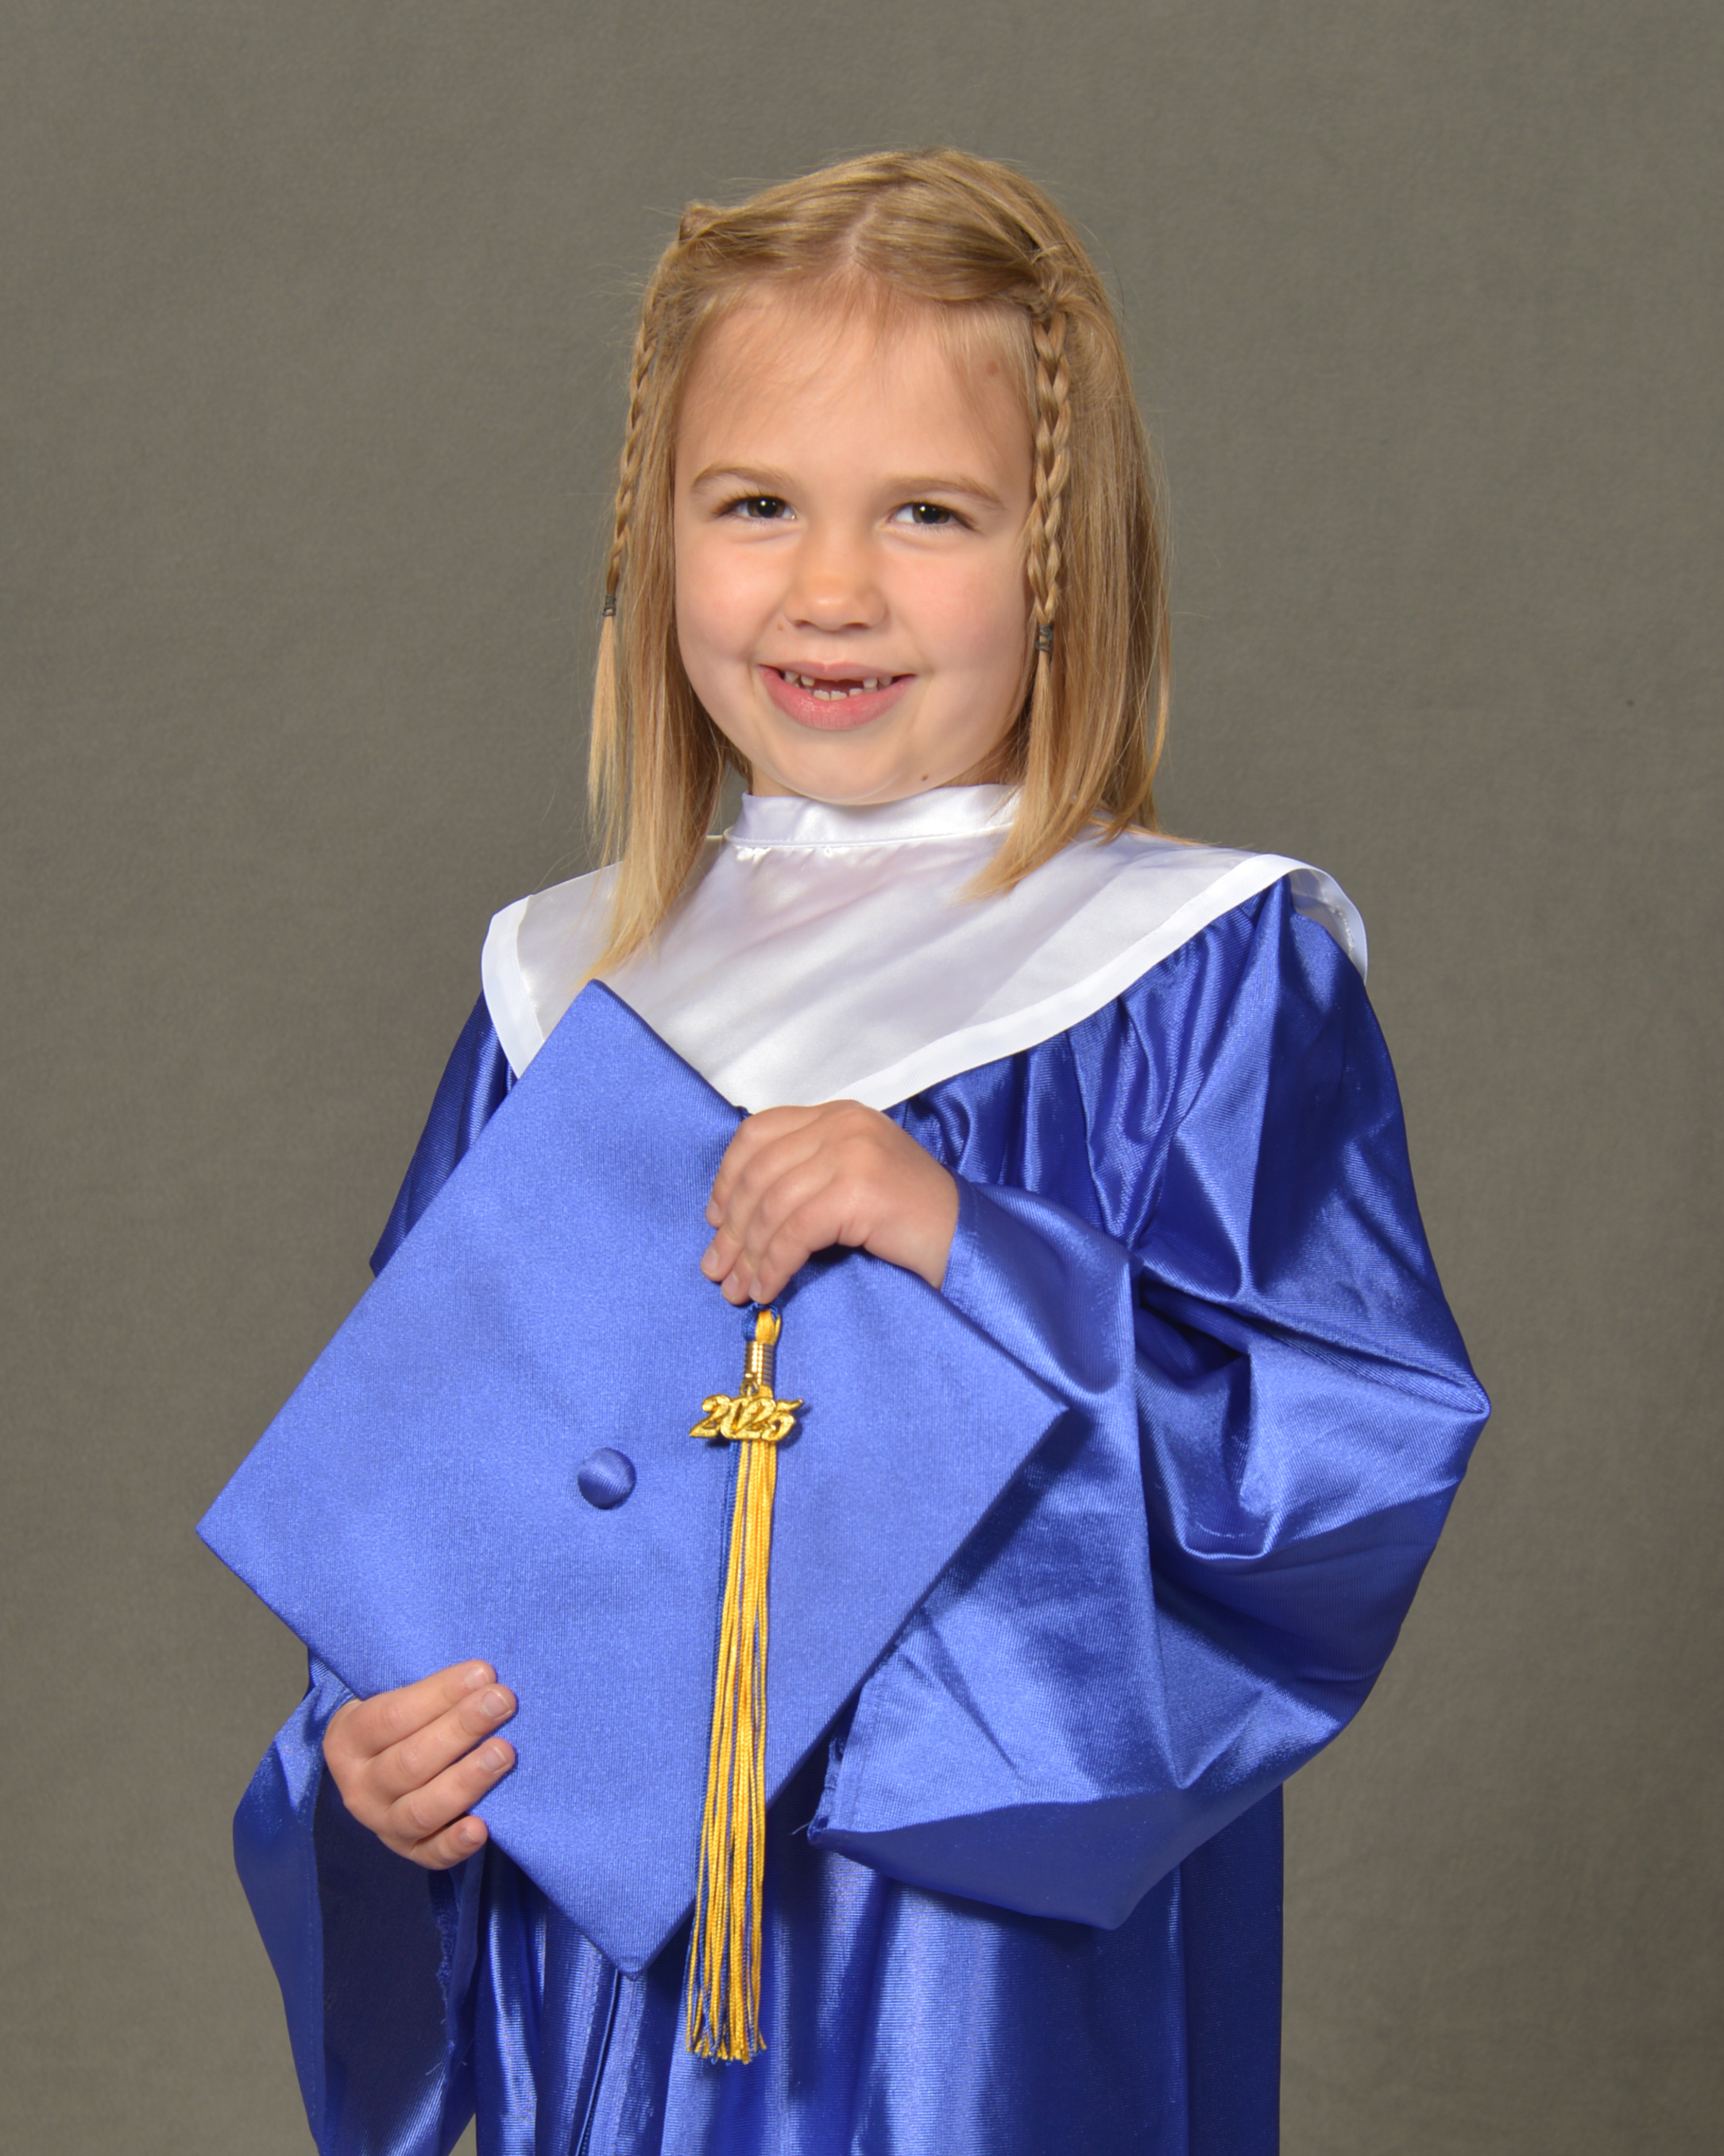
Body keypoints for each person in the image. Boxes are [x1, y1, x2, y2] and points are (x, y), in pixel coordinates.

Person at [232, 149, 1488, 2155]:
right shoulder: (564, 996)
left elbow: (1323, 1462)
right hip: (604, 1991)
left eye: (926, 512)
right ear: (649, 540)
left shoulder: (1189, 972)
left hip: (967, 2001)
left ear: (1059, 553)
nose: (830, 590)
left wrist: (963, 1243)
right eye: (755, 506)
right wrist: (371, 1765)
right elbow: (428, 1508)